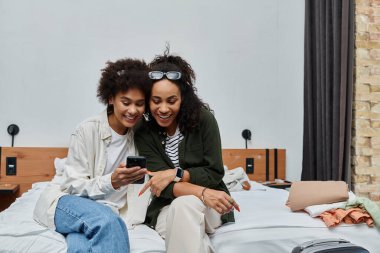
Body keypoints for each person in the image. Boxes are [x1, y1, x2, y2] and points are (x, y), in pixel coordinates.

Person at [33, 58, 151, 253]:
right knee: (108, 222)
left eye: (139, 104)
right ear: (111, 98)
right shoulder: (87, 130)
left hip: (103, 211)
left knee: (81, 246)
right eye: (126, 102)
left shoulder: (142, 136)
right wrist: (111, 182)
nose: (133, 110)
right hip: (66, 202)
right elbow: (73, 185)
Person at [135, 49, 239, 253]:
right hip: (168, 206)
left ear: (183, 98)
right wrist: (202, 192)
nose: (163, 109)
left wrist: (177, 173)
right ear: (148, 100)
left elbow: (215, 171)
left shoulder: (204, 120)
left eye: (171, 101)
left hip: (211, 207)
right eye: (156, 101)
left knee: (184, 207)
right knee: (184, 214)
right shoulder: (143, 131)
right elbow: (159, 185)